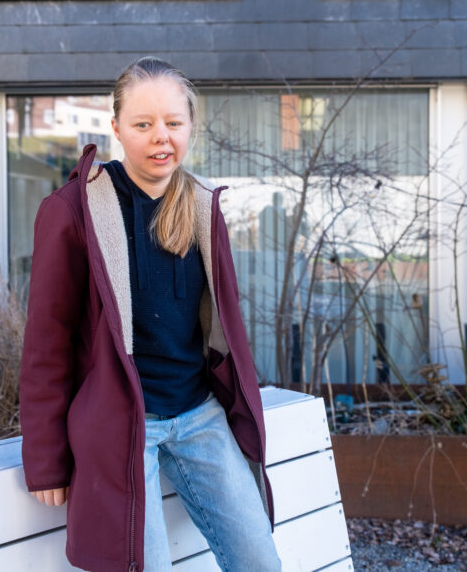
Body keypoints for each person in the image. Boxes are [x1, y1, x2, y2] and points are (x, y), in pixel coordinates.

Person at [19, 57, 282, 572]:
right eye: (143, 124)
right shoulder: (75, 211)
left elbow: (221, 327)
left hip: (199, 415)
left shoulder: (203, 208)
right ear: (116, 128)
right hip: (124, 423)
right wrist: (46, 460)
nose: (161, 137)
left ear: (190, 127)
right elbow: (45, 345)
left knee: (261, 562)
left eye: (173, 123)